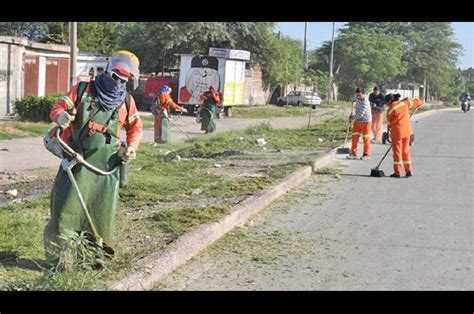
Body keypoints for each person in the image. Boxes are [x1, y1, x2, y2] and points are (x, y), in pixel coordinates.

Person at [44, 50, 143, 264]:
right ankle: (61, 260)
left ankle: (93, 260)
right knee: (64, 211)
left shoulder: (126, 101)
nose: (118, 82)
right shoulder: (83, 90)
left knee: (100, 216)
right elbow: (59, 107)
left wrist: (132, 147)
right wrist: (60, 115)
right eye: (116, 76)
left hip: (106, 169)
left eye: (124, 79)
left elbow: (136, 127)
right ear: (107, 70)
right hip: (76, 161)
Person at [384, 93, 424, 178]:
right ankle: (409, 171)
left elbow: (389, 122)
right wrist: (420, 102)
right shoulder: (404, 103)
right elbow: (415, 102)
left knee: (397, 153)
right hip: (407, 132)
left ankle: (397, 172)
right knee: (405, 152)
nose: (385, 104)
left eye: (386, 102)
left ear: (390, 101)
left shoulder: (390, 110)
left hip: (397, 133)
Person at [347, 87, 372, 160]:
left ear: (363, 94)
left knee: (366, 138)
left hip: (366, 122)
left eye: (359, 95)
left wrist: (353, 117)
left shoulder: (365, 102)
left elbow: (361, 114)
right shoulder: (357, 98)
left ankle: (366, 154)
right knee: (354, 137)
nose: (358, 97)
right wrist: (354, 102)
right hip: (357, 121)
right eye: (357, 95)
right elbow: (355, 101)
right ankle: (353, 153)